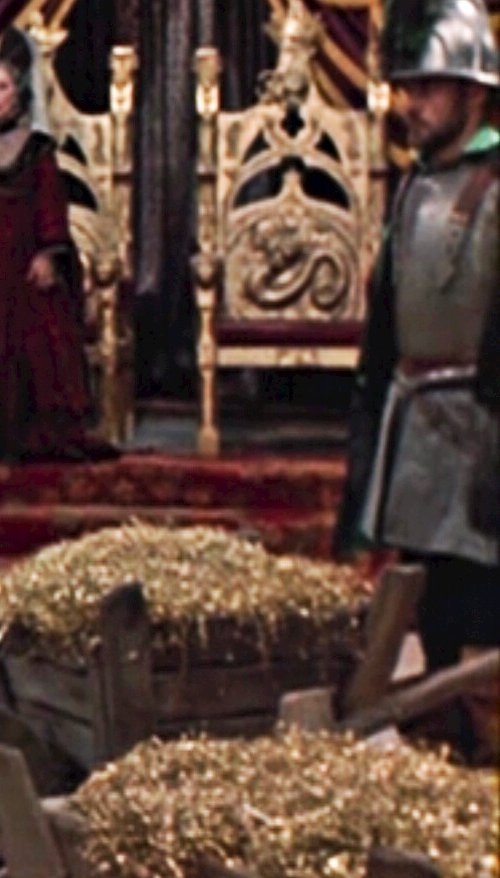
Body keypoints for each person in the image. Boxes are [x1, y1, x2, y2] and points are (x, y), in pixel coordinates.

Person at [337, 0, 499, 754]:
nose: (410, 103)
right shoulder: (415, 186)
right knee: (432, 613)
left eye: (428, 87)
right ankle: (447, 754)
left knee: (484, 617)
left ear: (473, 90)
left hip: (482, 433)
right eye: (406, 87)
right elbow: (386, 331)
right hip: (419, 434)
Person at [0, 27, 116, 463]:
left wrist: (48, 252)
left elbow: (50, 204)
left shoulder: (37, 151)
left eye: (3, 87)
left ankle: (30, 430)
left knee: (32, 338)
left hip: (22, 260)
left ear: (18, 93)